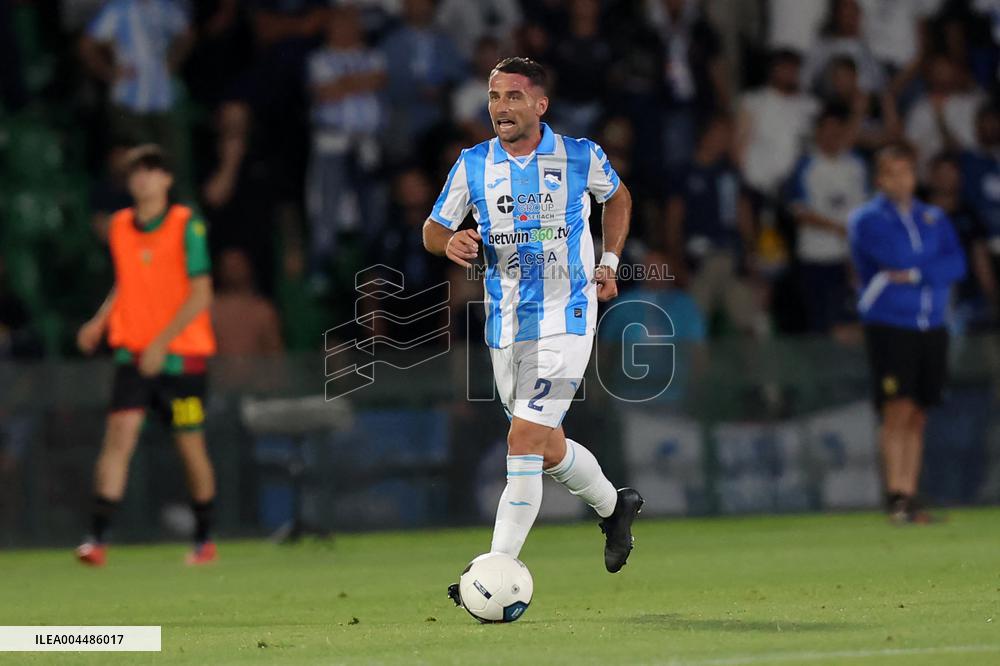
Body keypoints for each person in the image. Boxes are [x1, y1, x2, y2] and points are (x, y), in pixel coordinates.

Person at [422, 58, 643, 591]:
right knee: (545, 445)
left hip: (567, 314)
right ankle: (616, 507)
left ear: (540, 105)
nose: (501, 106)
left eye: (513, 97)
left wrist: (609, 262)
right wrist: (449, 242)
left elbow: (617, 197)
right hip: (504, 323)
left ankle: (494, 571)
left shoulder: (578, 155)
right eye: (495, 96)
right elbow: (433, 228)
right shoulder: (473, 163)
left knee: (522, 439)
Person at [75, 145, 218, 565]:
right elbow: (127, 282)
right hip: (133, 356)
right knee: (119, 437)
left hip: (183, 361)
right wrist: (100, 321)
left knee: (190, 445)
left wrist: (162, 343)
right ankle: (96, 540)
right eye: (136, 171)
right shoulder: (120, 225)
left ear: (166, 179)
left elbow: (201, 293)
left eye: (152, 170)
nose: (143, 178)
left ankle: (204, 540)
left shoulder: (186, 224)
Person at [848, 144, 967, 524]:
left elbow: (956, 264)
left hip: (931, 322)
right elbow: (893, 258)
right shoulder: (867, 218)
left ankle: (910, 493)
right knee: (896, 407)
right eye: (894, 173)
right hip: (889, 321)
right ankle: (895, 495)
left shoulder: (933, 217)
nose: (903, 181)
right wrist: (927, 268)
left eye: (908, 172)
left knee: (919, 411)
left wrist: (917, 275)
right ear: (880, 179)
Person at [667, 113, 765, 337]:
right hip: (698, 260)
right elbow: (673, 220)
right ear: (706, 135)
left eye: (728, 135)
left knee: (749, 323)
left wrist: (752, 253)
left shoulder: (730, 173)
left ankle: (753, 369)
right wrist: (676, 260)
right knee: (694, 324)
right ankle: (695, 370)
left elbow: (744, 214)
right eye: (720, 133)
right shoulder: (684, 172)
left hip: (732, 256)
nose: (725, 139)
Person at [787, 106, 869, 334]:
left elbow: (866, 206)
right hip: (816, 256)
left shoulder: (856, 164)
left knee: (851, 325)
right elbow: (798, 212)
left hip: (850, 259)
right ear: (818, 132)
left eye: (837, 130)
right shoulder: (806, 166)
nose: (832, 136)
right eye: (827, 130)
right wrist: (836, 227)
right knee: (820, 325)